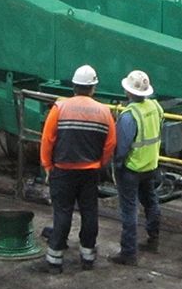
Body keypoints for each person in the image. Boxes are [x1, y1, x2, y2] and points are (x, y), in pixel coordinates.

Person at [39, 64, 116, 274]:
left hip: (63, 171)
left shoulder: (60, 108)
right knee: (89, 212)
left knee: (62, 213)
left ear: (73, 86)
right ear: (93, 88)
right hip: (90, 171)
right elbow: (110, 143)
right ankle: (88, 257)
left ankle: (55, 260)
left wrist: (47, 166)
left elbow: (47, 139)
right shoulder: (104, 111)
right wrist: (100, 163)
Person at [109, 70, 163, 265]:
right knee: (151, 201)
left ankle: (129, 253)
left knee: (129, 210)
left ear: (127, 91)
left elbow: (121, 148)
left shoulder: (128, 116)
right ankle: (153, 238)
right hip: (150, 165)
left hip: (132, 169)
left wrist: (116, 166)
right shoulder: (156, 107)